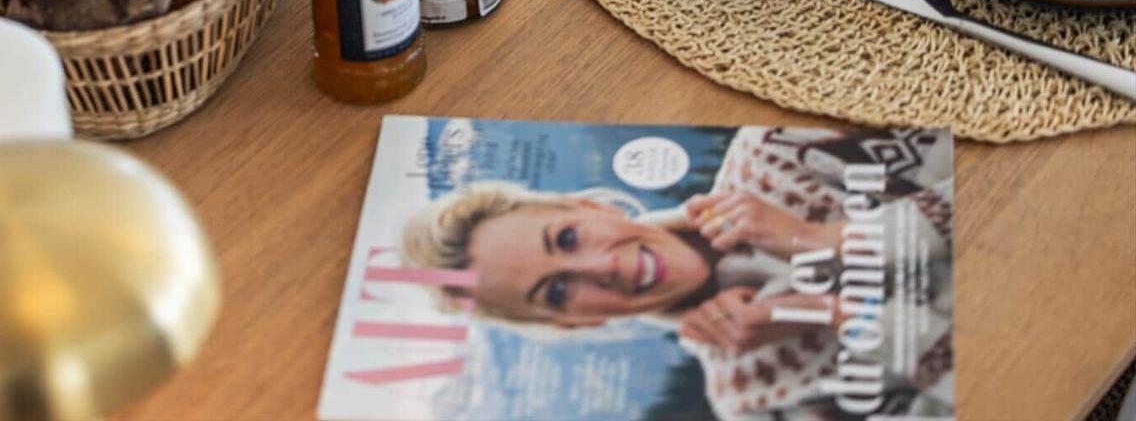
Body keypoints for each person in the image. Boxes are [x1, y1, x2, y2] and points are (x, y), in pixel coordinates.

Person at [401, 128, 954, 419]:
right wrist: (838, 315)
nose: (607, 266)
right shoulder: (748, 396)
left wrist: (828, 240)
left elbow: (985, 171)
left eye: (568, 238)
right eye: (560, 289)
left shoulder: (776, 151)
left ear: (593, 207)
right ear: (572, 325)